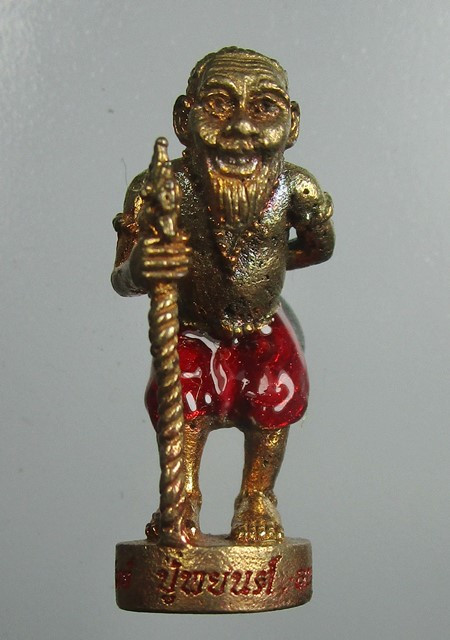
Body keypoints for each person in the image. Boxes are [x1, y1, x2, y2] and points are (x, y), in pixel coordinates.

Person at [112, 47, 334, 543]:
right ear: (183, 118)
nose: (241, 127)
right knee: (183, 402)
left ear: (292, 124)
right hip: (193, 328)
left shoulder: (296, 189)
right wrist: (143, 268)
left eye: (264, 107)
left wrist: (269, 268)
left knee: (274, 396)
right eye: (218, 104)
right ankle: (184, 495)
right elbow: (122, 277)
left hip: (261, 324)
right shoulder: (158, 190)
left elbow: (318, 248)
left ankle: (257, 495)